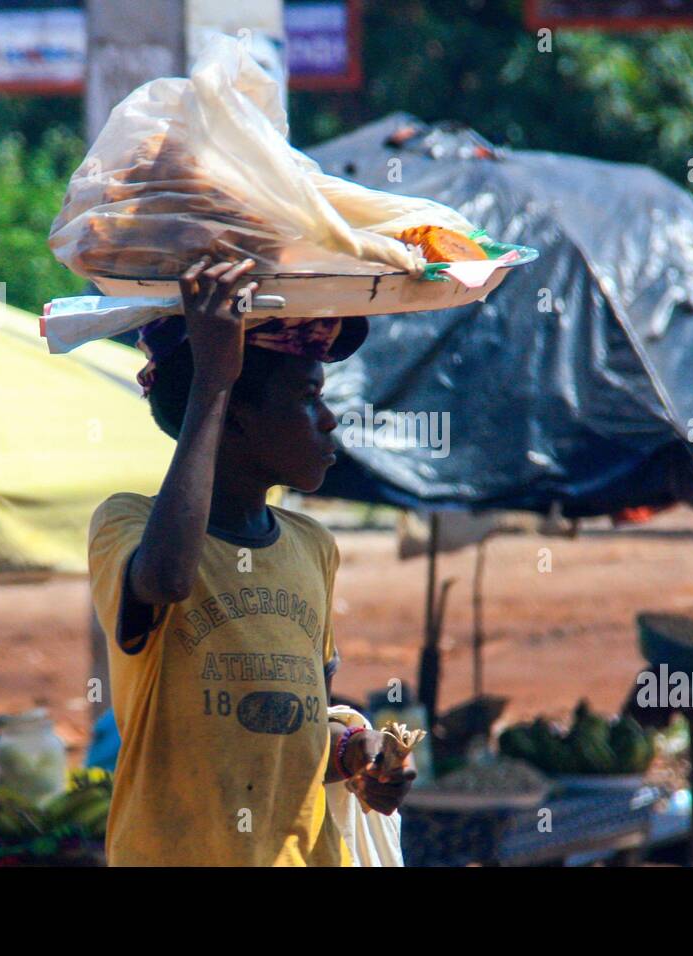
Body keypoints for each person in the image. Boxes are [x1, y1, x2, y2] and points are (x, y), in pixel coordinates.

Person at [88, 256, 416, 866]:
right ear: (233, 415)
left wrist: (354, 754)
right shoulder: (127, 524)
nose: (328, 419)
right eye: (307, 397)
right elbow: (165, 579)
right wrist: (214, 376)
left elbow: (296, 728)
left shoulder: (312, 546)